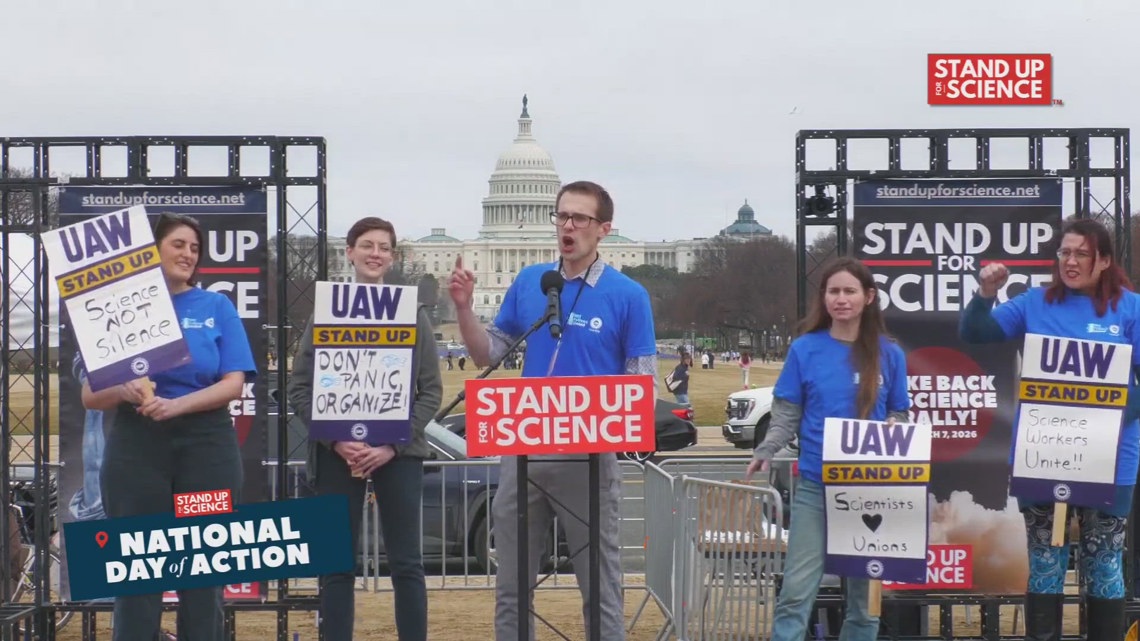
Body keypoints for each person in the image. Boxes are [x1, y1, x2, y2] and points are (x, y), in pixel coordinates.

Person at [448, 180, 657, 641]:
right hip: (524, 455)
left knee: (599, 585)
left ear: (603, 228)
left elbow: (642, 382)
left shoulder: (628, 295)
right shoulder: (530, 283)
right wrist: (464, 310)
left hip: (589, 459)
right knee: (511, 587)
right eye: (561, 216)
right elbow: (489, 356)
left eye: (579, 218)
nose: (567, 226)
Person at [959, 218, 1140, 641]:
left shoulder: (1130, 308)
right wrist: (985, 295)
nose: (1070, 262)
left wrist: (1108, 402)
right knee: (1045, 560)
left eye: (1081, 254)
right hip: (1044, 456)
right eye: (1064, 253)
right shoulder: (1032, 303)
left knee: (1105, 562)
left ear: (1105, 261)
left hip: (1111, 460)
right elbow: (976, 333)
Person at [83, 213, 256, 641]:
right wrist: (124, 389)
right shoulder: (121, 306)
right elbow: (90, 395)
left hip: (206, 447)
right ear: (152, 249)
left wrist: (177, 406)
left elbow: (234, 384)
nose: (188, 255)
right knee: (140, 574)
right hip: (138, 450)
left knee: (201, 570)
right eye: (178, 244)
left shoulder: (216, 306)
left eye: (194, 248)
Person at [288, 216, 442, 641]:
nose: (376, 254)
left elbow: (430, 391)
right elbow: (299, 388)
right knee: (336, 565)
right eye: (368, 245)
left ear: (392, 258)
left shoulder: (412, 314)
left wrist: (392, 445)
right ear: (350, 252)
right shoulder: (325, 312)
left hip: (399, 456)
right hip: (337, 454)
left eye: (385, 247)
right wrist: (336, 440)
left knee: (407, 564)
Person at [743, 257, 910, 641]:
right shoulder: (806, 349)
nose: (841, 299)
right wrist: (766, 449)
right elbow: (786, 413)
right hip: (816, 489)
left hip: (872, 492)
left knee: (865, 605)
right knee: (796, 594)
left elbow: (900, 411)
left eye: (850, 291)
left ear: (868, 297)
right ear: (824, 298)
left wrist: (893, 427)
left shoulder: (890, 354)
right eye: (833, 291)